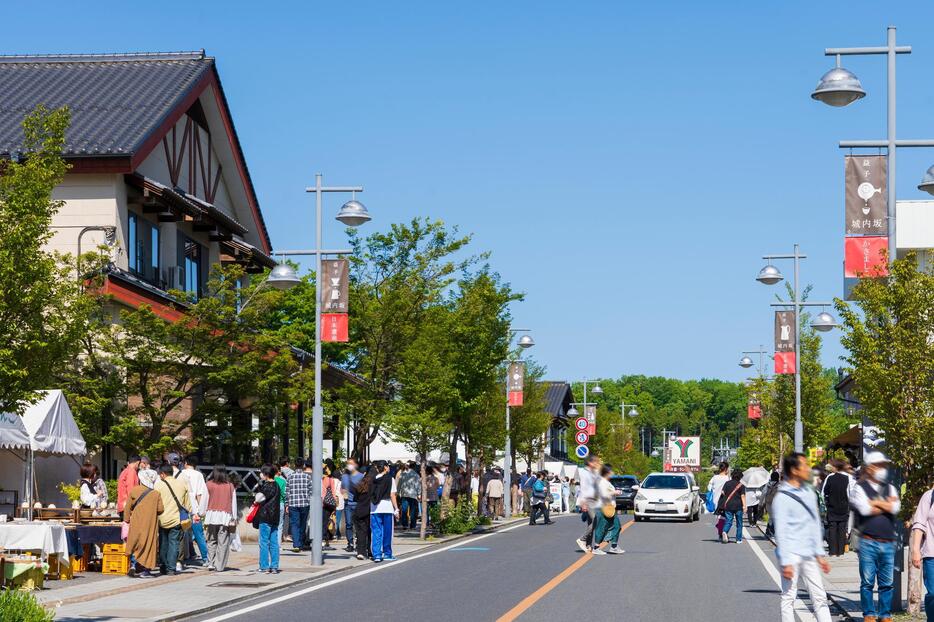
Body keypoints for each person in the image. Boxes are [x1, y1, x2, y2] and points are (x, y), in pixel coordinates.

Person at [772, 452, 833, 622]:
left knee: (819, 596)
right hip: (790, 553)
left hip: (808, 554)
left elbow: (814, 525)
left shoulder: (808, 492)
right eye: (804, 465)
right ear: (794, 470)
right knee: (789, 596)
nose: (808, 469)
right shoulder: (781, 497)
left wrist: (820, 555)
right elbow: (781, 532)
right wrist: (785, 562)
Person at [851, 452, 900, 622]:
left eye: (884, 465)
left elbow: (895, 509)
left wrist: (876, 503)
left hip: (888, 542)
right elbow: (864, 510)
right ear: (870, 467)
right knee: (867, 582)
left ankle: (885, 615)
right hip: (868, 541)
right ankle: (869, 614)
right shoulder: (859, 487)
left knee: (887, 583)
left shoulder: (891, 487)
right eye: (879, 465)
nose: (883, 469)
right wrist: (886, 503)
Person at [124, 468, 163, 578]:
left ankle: (133, 565)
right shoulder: (156, 494)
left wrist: (126, 520)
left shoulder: (134, 490)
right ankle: (145, 570)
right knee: (147, 545)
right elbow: (161, 509)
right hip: (149, 524)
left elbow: (127, 508)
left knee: (135, 542)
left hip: (136, 521)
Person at [155, 463, 191, 575]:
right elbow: (187, 505)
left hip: (162, 519)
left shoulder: (159, 485)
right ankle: (171, 568)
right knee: (174, 544)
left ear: (163, 474)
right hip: (176, 520)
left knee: (163, 543)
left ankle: (163, 566)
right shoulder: (182, 484)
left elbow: (155, 503)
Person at [204, 465, 237, 572]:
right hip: (225, 517)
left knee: (211, 540)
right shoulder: (230, 486)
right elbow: (234, 503)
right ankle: (219, 565)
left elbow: (204, 500)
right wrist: (234, 517)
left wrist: (201, 513)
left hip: (211, 516)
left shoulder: (209, 484)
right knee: (223, 542)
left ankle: (210, 562)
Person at [910, 484, 934, 622]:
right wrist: (915, 550)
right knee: (933, 594)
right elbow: (919, 524)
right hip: (932, 554)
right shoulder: (928, 497)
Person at [178, 456, 209, 565]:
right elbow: (200, 493)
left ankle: (181, 559)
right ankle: (206, 558)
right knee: (199, 534)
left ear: (185, 463)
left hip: (182, 509)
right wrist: (200, 509)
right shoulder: (199, 475)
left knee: (182, 534)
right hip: (195, 509)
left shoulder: (180, 474)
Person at [252, 464, 281, 574]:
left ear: (266, 474)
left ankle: (264, 566)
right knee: (274, 542)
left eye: (262, 473)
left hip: (265, 516)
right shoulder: (277, 485)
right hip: (275, 517)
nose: (261, 475)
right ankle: (274, 566)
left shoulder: (267, 485)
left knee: (264, 542)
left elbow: (258, 498)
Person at [369, 460, 399, 562]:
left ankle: (377, 555)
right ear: (386, 467)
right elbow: (392, 495)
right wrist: (396, 509)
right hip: (387, 507)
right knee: (387, 532)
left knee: (376, 531)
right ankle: (387, 553)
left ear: (377, 469)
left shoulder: (373, 479)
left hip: (374, 508)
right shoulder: (390, 479)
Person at [822, 459, 851, 557]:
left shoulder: (830, 478)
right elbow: (850, 494)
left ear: (836, 467)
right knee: (842, 529)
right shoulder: (848, 478)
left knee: (832, 528)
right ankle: (840, 551)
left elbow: (824, 492)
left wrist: (827, 502)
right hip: (844, 507)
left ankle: (833, 551)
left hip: (832, 507)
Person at [591, 465, 624, 555]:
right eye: (611, 471)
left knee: (616, 526)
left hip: (609, 508)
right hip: (603, 507)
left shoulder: (606, 482)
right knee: (602, 527)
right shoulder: (602, 482)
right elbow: (604, 494)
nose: (612, 473)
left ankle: (614, 546)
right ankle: (596, 547)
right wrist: (615, 492)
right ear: (607, 472)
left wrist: (615, 492)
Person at [285, 459, 313, 552]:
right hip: (305, 503)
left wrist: (287, 504)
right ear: (303, 465)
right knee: (302, 524)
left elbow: (287, 492)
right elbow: (311, 491)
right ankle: (300, 543)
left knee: (294, 524)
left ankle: (296, 544)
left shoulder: (290, 477)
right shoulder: (307, 477)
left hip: (293, 503)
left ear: (294, 465)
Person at [575, 456, 601, 551]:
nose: (597, 463)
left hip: (594, 500)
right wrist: (584, 503)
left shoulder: (593, 473)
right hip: (588, 500)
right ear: (590, 463)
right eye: (596, 462)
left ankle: (588, 544)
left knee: (591, 522)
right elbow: (584, 489)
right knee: (595, 520)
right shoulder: (584, 473)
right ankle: (582, 539)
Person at [717, 469, 746, 544]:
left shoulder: (727, 483)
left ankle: (724, 531)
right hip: (738, 506)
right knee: (739, 523)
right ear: (740, 477)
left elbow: (722, 493)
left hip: (728, 505)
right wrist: (744, 506)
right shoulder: (741, 485)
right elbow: (742, 496)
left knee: (729, 521)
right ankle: (738, 539)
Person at [341, 458, 364, 552]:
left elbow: (363, 490)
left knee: (358, 525)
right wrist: (343, 492)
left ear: (356, 465)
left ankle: (359, 543)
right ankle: (350, 543)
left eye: (351, 463)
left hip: (358, 503)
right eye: (348, 464)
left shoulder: (361, 476)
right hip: (348, 503)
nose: (349, 465)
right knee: (349, 524)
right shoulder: (344, 476)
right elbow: (342, 488)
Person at [352, 468, 373, 560]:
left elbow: (355, 499)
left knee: (360, 532)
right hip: (368, 511)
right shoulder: (373, 486)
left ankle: (360, 552)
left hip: (358, 511)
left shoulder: (359, 484)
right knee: (369, 532)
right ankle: (370, 550)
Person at [708, 462, 730, 538]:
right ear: (726, 469)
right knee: (725, 517)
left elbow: (709, 488)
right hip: (724, 500)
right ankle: (721, 533)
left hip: (715, 500)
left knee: (721, 517)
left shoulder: (714, 477)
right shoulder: (727, 478)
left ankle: (720, 531)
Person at [321, 466, 340, 551]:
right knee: (326, 522)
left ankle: (320, 540)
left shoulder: (317, 479)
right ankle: (325, 541)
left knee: (320, 522)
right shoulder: (330, 480)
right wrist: (335, 505)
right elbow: (333, 492)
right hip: (328, 504)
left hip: (318, 503)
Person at [398, 462, 420, 530]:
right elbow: (418, 485)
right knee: (413, 510)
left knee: (404, 510)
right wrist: (419, 494)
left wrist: (398, 492)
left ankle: (405, 524)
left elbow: (399, 484)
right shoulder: (416, 475)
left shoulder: (402, 474)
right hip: (413, 495)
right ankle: (412, 525)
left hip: (404, 494)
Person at [273, 464, 288, 546]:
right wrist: (287, 505)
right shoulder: (283, 481)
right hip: (280, 504)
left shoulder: (270, 480)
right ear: (279, 471)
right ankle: (278, 545)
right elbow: (284, 494)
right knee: (279, 526)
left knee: (271, 525)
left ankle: (270, 544)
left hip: (270, 505)